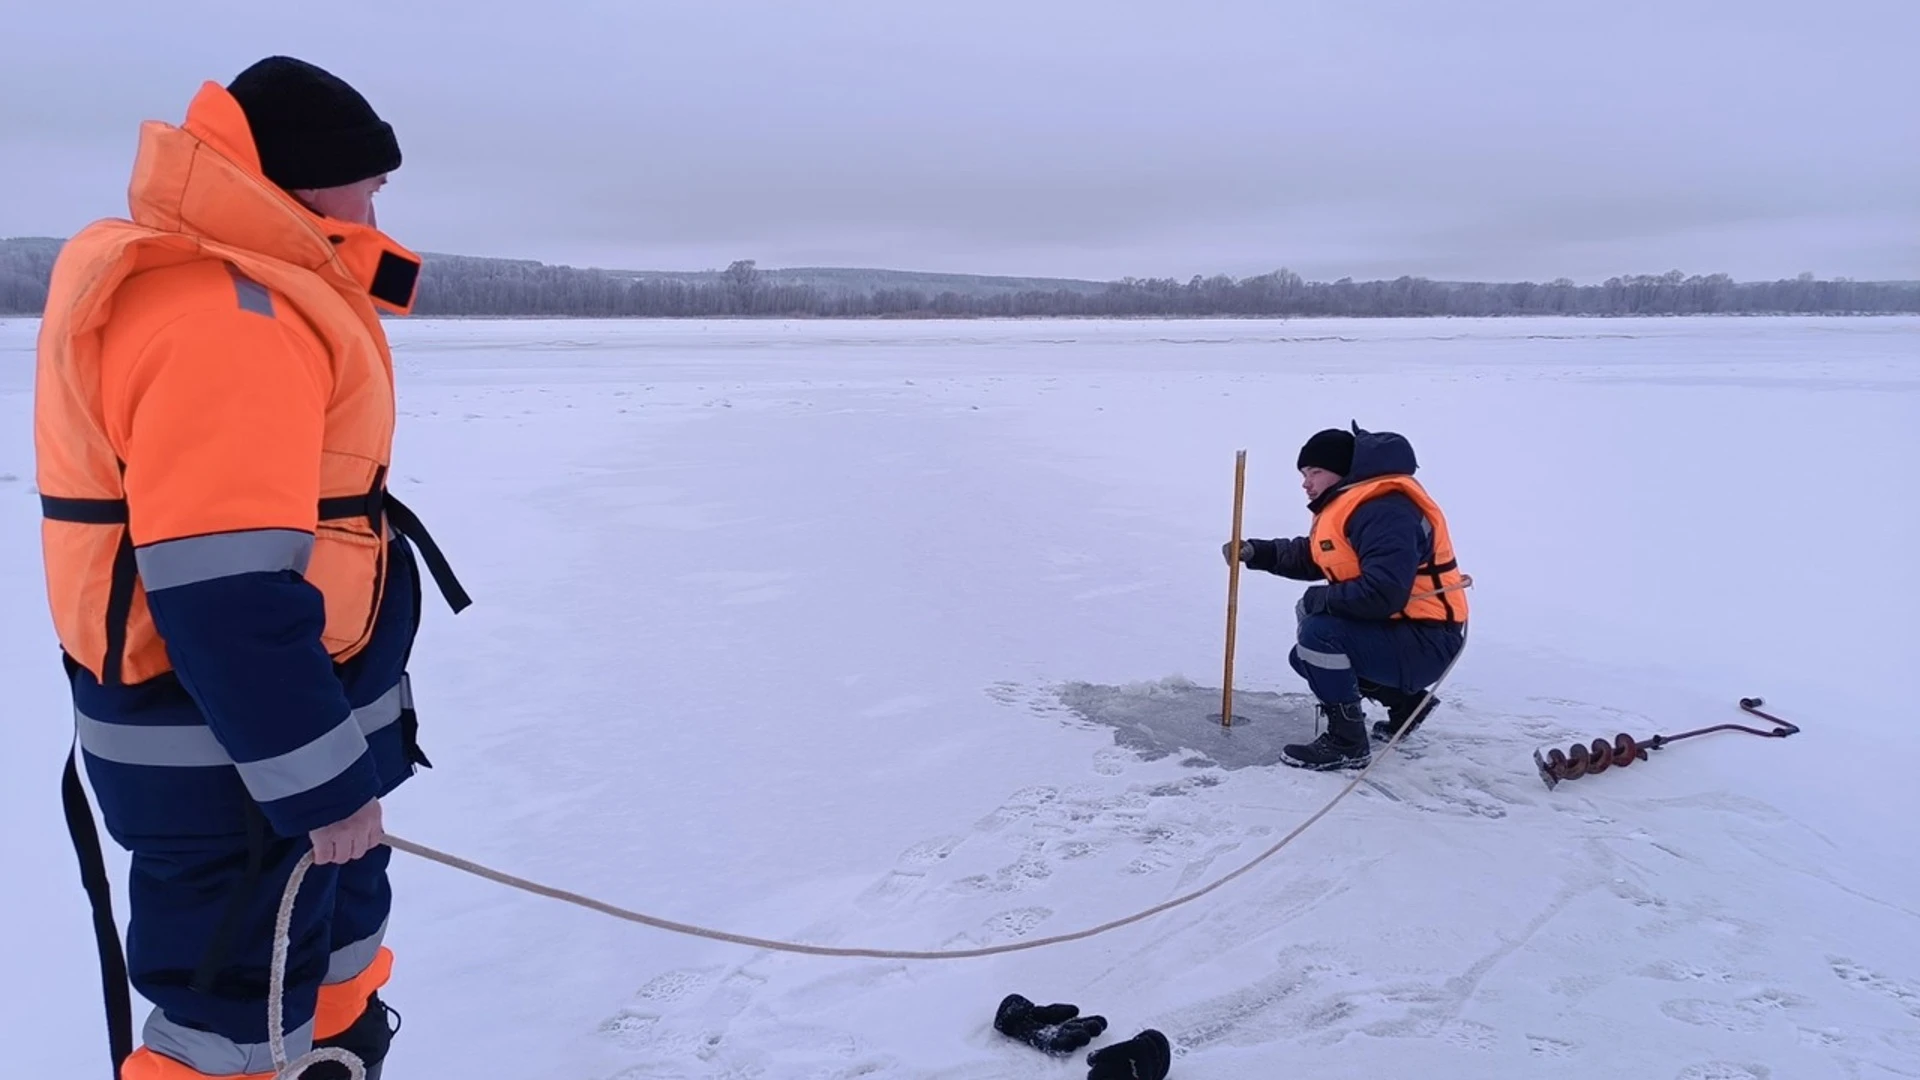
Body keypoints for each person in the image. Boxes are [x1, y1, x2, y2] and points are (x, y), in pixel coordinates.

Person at [35, 56, 469, 1079]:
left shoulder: (262, 293)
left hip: (275, 747)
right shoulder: (227, 319)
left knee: (324, 981)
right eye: (368, 176)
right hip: (231, 762)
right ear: (309, 178)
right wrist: (322, 788)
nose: (378, 199)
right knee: (231, 1035)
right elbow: (223, 593)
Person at [1223, 422, 1468, 770]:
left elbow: (1383, 594)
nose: (1306, 482)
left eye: (1315, 471)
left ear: (1343, 472)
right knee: (1305, 657)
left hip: (1427, 639)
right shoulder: (1356, 506)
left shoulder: (1386, 510)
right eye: (1304, 473)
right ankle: (1407, 704)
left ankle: (1347, 742)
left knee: (1319, 635)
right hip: (1405, 632)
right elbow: (1315, 555)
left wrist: (1318, 600)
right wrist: (1257, 552)